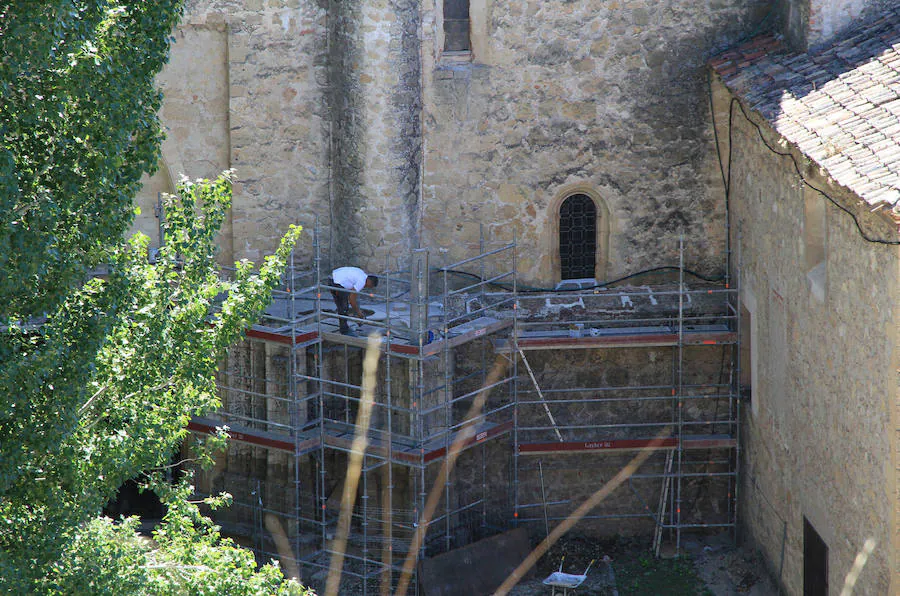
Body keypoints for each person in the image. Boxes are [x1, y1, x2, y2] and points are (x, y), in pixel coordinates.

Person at [327, 266, 378, 335]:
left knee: (341, 305)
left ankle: (344, 327)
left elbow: (352, 293)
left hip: (333, 277)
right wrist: (358, 312)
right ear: (370, 282)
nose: (367, 287)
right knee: (343, 307)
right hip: (336, 282)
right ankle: (344, 330)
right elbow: (351, 299)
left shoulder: (362, 275)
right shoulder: (362, 281)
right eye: (370, 286)